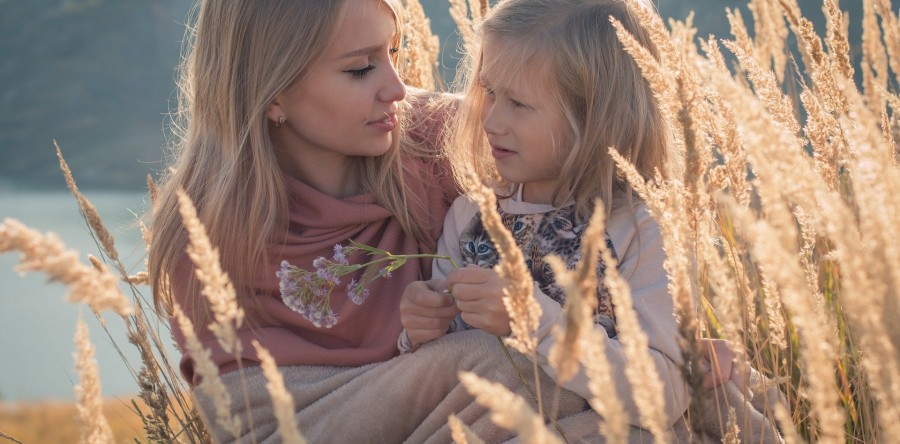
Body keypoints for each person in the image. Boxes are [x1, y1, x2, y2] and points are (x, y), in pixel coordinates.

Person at [399, 0, 783, 442]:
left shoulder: (641, 230)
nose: (492, 119)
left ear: (595, 116)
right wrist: (419, 329)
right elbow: (447, 367)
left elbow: (663, 395)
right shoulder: (472, 216)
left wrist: (531, 317)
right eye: (488, 91)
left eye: (519, 103)